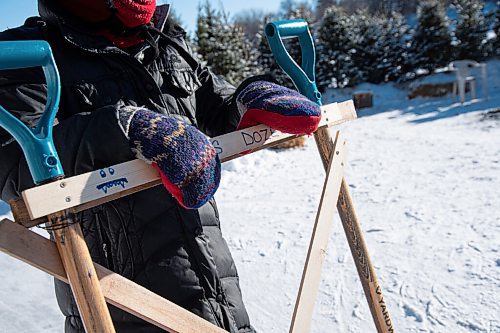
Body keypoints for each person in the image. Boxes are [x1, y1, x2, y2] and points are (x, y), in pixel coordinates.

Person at [0, 1, 321, 332]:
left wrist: (246, 99)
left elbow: (211, 105)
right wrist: (126, 129)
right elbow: (10, 161)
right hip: (118, 306)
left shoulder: (162, 39)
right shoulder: (28, 54)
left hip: (217, 292)